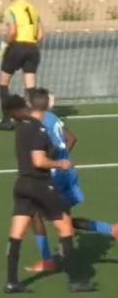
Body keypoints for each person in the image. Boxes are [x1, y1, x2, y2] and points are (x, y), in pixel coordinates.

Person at [1, 94, 96, 293]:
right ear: (44, 109)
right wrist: (59, 163)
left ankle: (11, 281)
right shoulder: (39, 130)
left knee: (16, 234)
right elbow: (39, 161)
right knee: (65, 229)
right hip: (41, 186)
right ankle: (75, 280)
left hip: (21, 185)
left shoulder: (21, 129)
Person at [23, 88, 118, 273]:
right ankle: (111, 229)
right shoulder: (54, 118)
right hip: (68, 173)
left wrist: (50, 164)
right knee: (64, 218)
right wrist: (63, 161)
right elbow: (72, 139)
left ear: (30, 104)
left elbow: (45, 152)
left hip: (54, 177)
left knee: (35, 215)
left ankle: (48, 260)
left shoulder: (38, 124)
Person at [0, 0, 44, 131]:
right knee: (30, 85)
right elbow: (41, 34)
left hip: (17, 47)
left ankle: (7, 119)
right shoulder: (33, 8)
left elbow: (12, 31)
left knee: (3, 83)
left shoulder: (11, 9)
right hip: (33, 48)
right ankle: (37, 118)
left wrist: (5, 44)